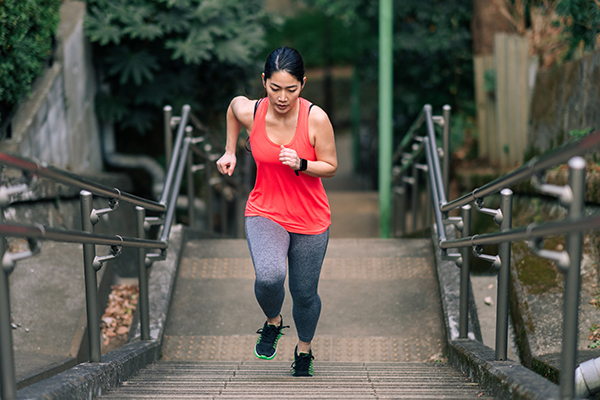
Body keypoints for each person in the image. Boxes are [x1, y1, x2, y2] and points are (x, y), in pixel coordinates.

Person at [216, 46, 337, 377]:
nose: (283, 97)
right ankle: (273, 321)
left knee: (304, 293)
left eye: (292, 89)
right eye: (275, 88)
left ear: (303, 84)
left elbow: (331, 166)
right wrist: (230, 151)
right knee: (269, 276)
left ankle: (304, 350)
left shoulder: (315, 118)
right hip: (264, 210)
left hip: (310, 218)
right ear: (264, 81)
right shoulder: (252, 112)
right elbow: (232, 107)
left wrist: (302, 163)